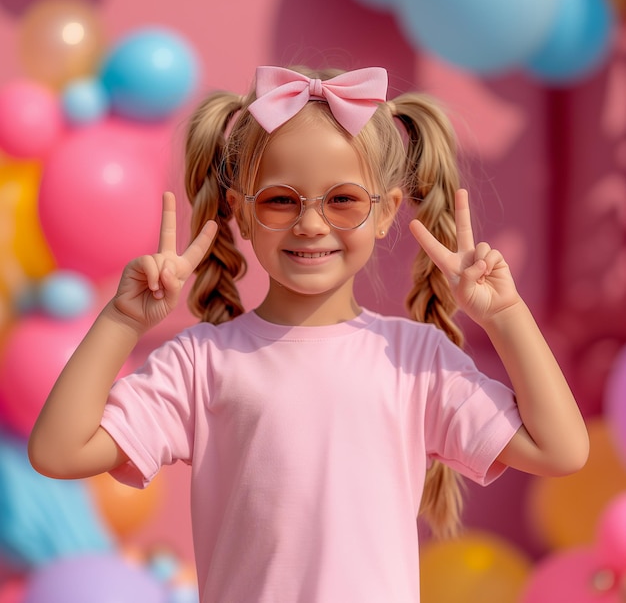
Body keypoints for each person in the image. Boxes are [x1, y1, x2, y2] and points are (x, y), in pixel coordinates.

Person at [28, 65, 589, 602]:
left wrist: (506, 314)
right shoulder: (200, 363)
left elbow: (560, 450)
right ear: (240, 212)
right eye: (279, 200)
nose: (312, 223)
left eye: (342, 199)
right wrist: (122, 321)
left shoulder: (415, 359)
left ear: (387, 211)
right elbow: (58, 452)